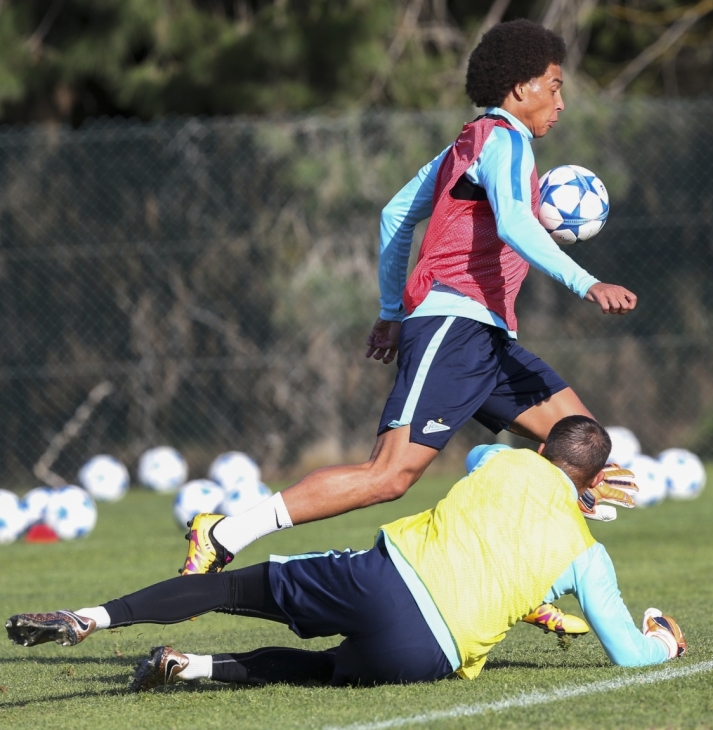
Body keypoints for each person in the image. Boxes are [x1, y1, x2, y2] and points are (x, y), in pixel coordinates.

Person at [177, 19, 640, 590]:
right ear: (520, 88)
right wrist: (585, 282)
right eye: (553, 85)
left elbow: (395, 214)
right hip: (454, 325)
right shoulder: (506, 140)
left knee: (580, 443)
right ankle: (224, 535)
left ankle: (519, 584)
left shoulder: (466, 144)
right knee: (389, 475)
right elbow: (516, 222)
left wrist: (394, 313)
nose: (561, 102)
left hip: (482, 333)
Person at [7, 417, 682, 692]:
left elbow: (481, 453)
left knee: (232, 590)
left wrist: (541, 473)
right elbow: (625, 651)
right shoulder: (588, 556)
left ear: (542, 453)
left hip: (380, 583)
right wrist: (664, 643)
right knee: (324, 670)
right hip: (428, 655)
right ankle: (191, 669)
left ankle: (88, 618)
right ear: (594, 482)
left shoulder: (507, 462)